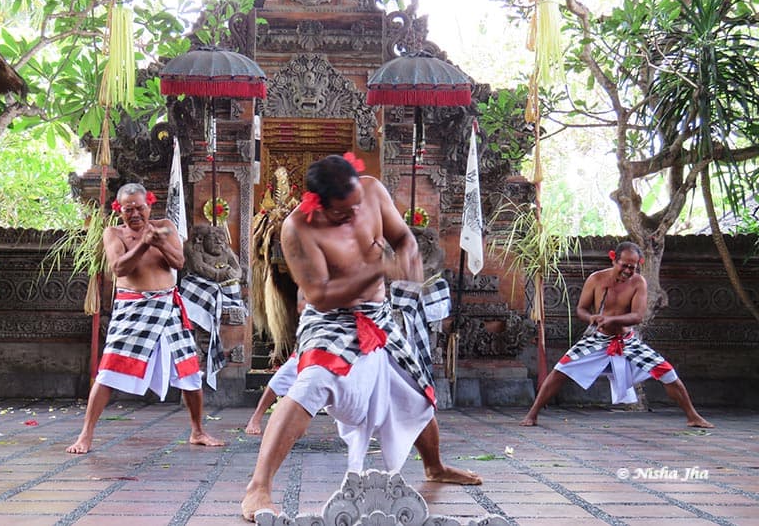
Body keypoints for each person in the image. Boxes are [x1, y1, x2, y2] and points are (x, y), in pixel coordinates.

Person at [241, 154, 479, 521]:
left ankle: (434, 466)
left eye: (356, 207)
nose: (354, 215)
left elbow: (402, 237)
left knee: (416, 389)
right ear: (317, 204)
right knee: (312, 383)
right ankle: (258, 487)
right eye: (343, 212)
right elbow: (319, 294)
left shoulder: (371, 191)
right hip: (330, 319)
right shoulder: (297, 230)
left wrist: (409, 257)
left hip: (379, 316)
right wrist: (378, 270)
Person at [66, 183, 223, 454]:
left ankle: (198, 431)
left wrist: (159, 242)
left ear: (149, 205)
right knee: (108, 371)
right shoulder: (113, 233)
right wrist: (142, 245)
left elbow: (179, 263)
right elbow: (118, 267)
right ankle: (85, 435)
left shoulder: (166, 227)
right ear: (119, 210)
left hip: (167, 307)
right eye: (129, 209)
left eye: (140, 207)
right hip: (133, 309)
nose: (135, 214)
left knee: (189, 372)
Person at [519, 241, 713, 429]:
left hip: (626, 341)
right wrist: (592, 318)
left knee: (667, 372)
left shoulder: (639, 283)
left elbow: (637, 316)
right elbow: (581, 309)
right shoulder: (596, 279)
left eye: (633, 267)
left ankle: (693, 416)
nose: (628, 271)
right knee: (560, 371)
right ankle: (532, 414)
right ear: (613, 259)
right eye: (624, 265)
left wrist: (612, 320)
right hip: (598, 339)